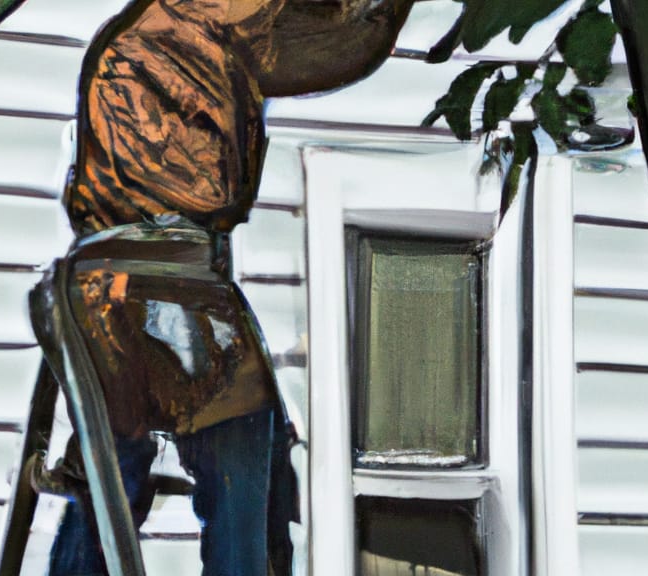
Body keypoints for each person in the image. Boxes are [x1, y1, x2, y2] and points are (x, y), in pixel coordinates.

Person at [38, 1, 414, 574]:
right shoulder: (164, 43)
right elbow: (331, 39)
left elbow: (338, 38)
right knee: (232, 466)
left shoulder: (190, 34)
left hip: (161, 288)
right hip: (148, 289)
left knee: (167, 468)